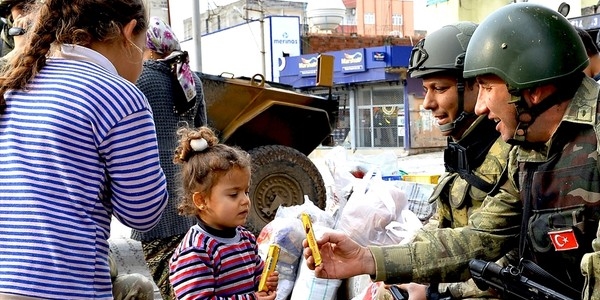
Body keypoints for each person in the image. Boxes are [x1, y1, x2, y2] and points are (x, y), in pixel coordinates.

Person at [302, 3, 598, 300]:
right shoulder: (528, 151)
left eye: (486, 87)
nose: (480, 106)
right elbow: (480, 239)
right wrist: (366, 259)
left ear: (533, 91)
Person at [0, 0, 168, 299]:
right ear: (129, 32)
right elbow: (143, 213)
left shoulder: (16, 82)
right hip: (67, 286)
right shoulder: (120, 95)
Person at [388, 21, 515, 300]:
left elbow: (507, 263)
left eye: (439, 88)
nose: (427, 103)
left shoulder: (512, 152)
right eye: (425, 89)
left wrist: (434, 290)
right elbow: (441, 224)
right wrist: (394, 263)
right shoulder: (463, 148)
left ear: (476, 86)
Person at [131, 16, 208, 300]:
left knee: (165, 280)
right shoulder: (193, 80)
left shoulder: (141, 78)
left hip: (156, 191)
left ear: (148, 47)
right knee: (191, 272)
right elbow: (206, 136)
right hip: (190, 188)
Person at [169, 126, 278, 300]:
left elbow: (255, 276)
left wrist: (265, 280)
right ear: (202, 201)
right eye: (234, 194)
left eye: (246, 191)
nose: (245, 200)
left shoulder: (246, 239)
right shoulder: (196, 250)